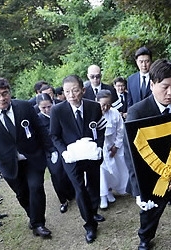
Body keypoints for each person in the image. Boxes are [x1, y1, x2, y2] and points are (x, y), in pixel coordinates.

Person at [126, 59, 171, 250]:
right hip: (152, 181)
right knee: (149, 217)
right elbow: (130, 155)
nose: (170, 92)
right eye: (165, 87)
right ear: (152, 84)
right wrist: (139, 190)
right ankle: (145, 238)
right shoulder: (137, 112)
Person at [0, 77, 53, 237]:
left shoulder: (24, 106)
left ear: (10, 92)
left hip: (32, 158)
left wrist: (50, 150)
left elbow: (40, 128)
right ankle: (33, 216)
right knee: (22, 193)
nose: (1, 98)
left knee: (36, 188)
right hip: (7, 163)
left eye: (5, 93)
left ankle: (38, 224)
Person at [50, 75, 106, 243]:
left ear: (83, 90)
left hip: (91, 154)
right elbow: (54, 135)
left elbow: (101, 128)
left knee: (94, 185)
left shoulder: (94, 107)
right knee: (80, 189)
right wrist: (64, 152)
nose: (71, 95)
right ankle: (89, 225)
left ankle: (93, 211)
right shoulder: (57, 110)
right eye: (67, 92)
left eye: (75, 90)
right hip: (71, 157)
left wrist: (99, 146)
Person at [36, 93, 75, 213]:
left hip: (64, 145)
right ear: (38, 107)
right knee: (57, 174)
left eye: (49, 106)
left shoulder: (58, 113)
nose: (47, 110)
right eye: (43, 108)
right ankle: (63, 199)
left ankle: (73, 192)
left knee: (71, 170)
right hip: (50, 150)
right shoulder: (37, 119)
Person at [96, 89, 129, 209]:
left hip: (114, 146)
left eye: (108, 104)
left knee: (116, 170)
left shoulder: (115, 113)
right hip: (100, 148)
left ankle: (111, 190)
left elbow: (121, 130)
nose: (105, 107)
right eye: (102, 104)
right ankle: (103, 195)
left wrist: (116, 146)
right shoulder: (93, 113)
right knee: (102, 172)